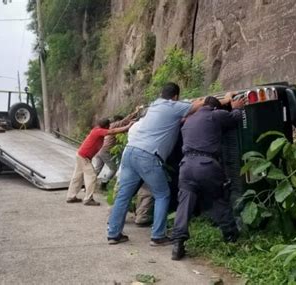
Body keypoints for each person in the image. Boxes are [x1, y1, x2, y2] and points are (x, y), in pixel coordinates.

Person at [107, 82, 206, 246]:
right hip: (147, 155)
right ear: (175, 97)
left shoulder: (153, 106)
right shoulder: (173, 106)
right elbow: (201, 104)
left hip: (130, 151)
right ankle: (158, 236)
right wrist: (225, 99)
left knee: (123, 195)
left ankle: (113, 234)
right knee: (162, 194)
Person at [171, 94, 245, 260]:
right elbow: (234, 119)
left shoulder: (189, 120)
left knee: (184, 205)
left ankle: (177, 243)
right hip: (206, 164)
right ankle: (230, 235)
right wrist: (237, 108)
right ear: (215, 107)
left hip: (186, 165)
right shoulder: (215, 114)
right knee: (218, 199)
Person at [66, 118, 134, 206]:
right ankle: (88, 199)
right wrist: (127, 127)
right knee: (92, 176)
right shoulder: (98, 131)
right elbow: (112, 131)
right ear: (105, 126)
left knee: (77, 177)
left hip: (81, 155)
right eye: (108, 126)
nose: (109, 128)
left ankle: (71, 196)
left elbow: (113, 131)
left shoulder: (97, 129)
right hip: (84, 157)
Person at [94, 107, 141, 190]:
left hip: (99, 150)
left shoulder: (110, 127)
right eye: (120, 122)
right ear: (117, 121)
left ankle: (87, 185)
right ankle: (103, 184)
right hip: (105, 150)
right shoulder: (114, 126)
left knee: (97, 169)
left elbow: (125, 127)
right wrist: (136, 111)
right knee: (113, 169)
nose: (121, 123)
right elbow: (125, 122)